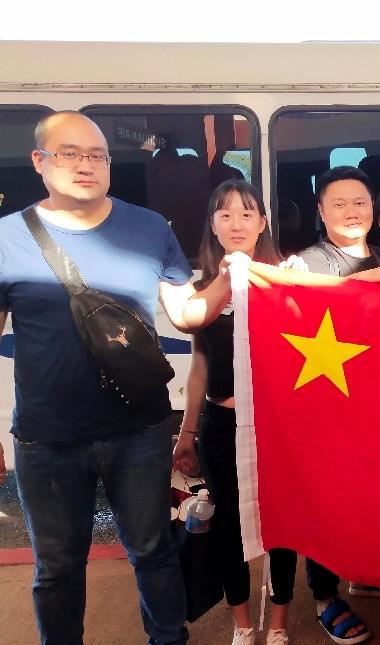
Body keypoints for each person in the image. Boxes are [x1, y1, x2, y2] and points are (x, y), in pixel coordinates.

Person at [0, 111, 227, 645]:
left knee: (152, 551)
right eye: (69, 154)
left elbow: (186, 314)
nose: (86, 165)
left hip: (139, 431)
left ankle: (168, 640)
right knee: (57, 566)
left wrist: (231, 274)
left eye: (97, 156)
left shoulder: (149, 228)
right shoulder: (7, 238)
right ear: (39, 161)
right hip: (47, 439)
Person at [171, 180, 297, 645]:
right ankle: (242, 624)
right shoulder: (201, 292)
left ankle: (279, 624)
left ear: (263, 223)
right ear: (213, 225)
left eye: (246, 213)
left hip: (274, 427)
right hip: (221, 425)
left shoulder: (285, 280)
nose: (236, 223)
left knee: (282, 523)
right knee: (227, 525)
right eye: (225, 214)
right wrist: (187, 433)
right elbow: (200, 368)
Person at [290, 165, 380, 645]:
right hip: (326, 411)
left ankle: (364, 573)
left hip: (375, 405)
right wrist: (372, 280)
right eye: (338, 203)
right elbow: (293, 299)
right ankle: (324, 597)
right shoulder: (307, 263)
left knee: (369, 496)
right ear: (321, 212)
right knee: (325, 503)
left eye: (360, 202)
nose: (352, 211)